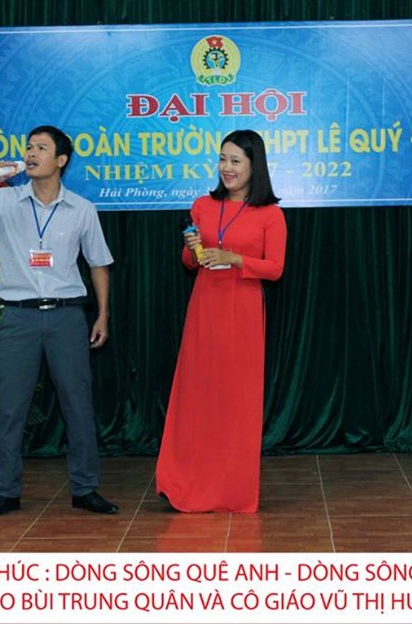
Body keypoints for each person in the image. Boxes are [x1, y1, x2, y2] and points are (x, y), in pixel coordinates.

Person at [0, 125, 118, 518]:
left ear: (61, 160)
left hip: (67, 316)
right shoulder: (3, 201)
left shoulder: (81, 209)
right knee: (11, 407)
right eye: (29, 147)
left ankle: (85, 489)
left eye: (42, 147)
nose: (31, 153)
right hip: (18, 317)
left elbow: (98, 264)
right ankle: (5, 492)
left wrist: (103, 315)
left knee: (77, 404)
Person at [155, 129, 287, 513]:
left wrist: (235, 259)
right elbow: (189, 261)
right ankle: (184, 483)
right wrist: (193, 252)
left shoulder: (271, 214)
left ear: (254, 166)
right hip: (205, 307)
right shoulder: (202, 205)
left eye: (235, 161)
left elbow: (275, 268)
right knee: (197, 395)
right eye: (222, 159)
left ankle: (231, 490)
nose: (226, 168)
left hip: (243, 310)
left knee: (235, 400)